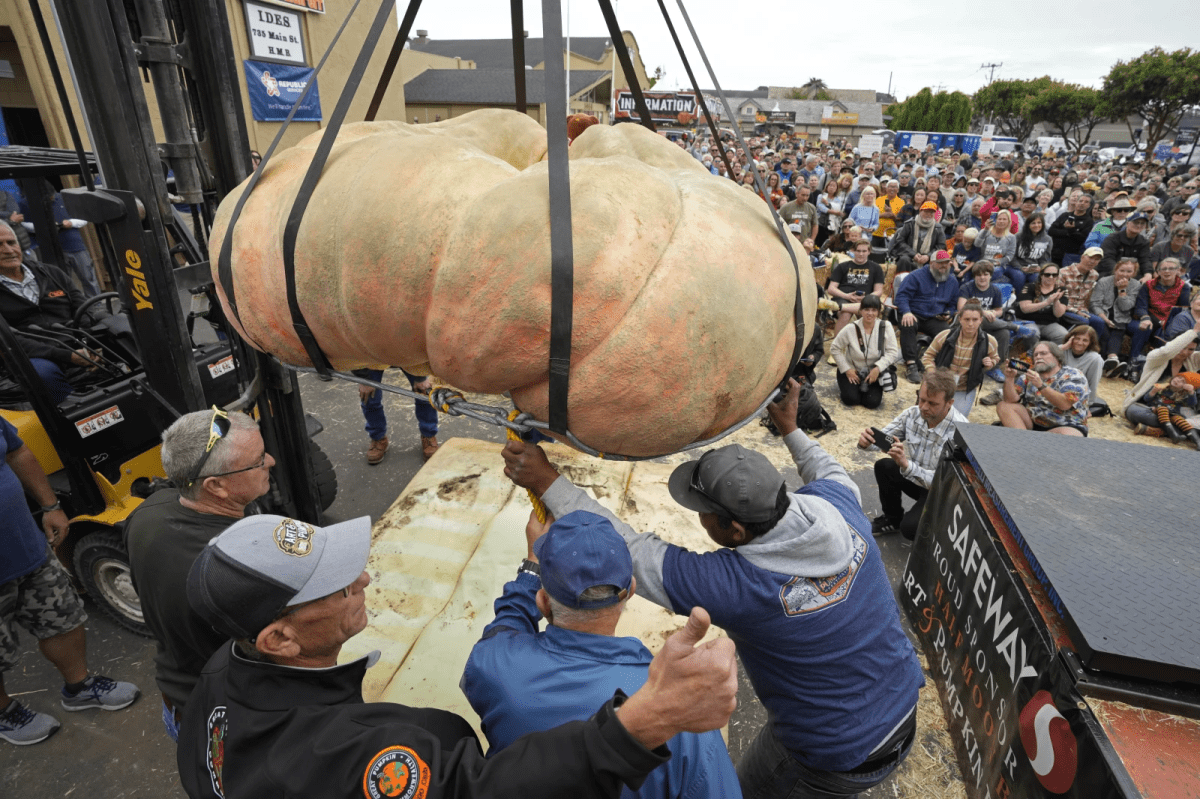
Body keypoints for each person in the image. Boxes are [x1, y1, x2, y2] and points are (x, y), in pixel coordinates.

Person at [501, 380, 924, 799]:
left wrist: (547, 481)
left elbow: (631, 551)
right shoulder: (839, 504)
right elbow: (826, 468)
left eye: (704, 512)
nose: (698, 517)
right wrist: (791, 429)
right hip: (902, 705)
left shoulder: (738, 586)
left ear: (734, 530)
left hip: (832, 754)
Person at [178, 514, 740, 799]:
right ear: (279, 639)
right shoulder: (354, 758)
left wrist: (526, 575)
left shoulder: (217, 682)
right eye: (337, 586)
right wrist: (648, 719)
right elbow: (483, 790)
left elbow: (505, 630)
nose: (364, 578)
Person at [461, 510, 741, 799]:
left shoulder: (492, 664)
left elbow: (506, 625)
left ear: (543, 602)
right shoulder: (677, 709)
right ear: (630, 589)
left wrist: (532, 568)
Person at [124, 408, 275, 740]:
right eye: (259, 459)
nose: (272, 461)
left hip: (180, 701)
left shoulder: (148, 511)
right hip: (235, 725)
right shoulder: (243, 564)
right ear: (217, 486)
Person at [0, 416, 139, 745]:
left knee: (63, 617)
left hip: (26, 549)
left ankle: (79, 687)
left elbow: (17, 452)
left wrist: (50, 505)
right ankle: (4, 714)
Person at [0, 222, 116, 404]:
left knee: (122, 333)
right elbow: (9, 341)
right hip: (36, 355)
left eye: (11, 242)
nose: (8, 250)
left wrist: (89, 344)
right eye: (0, 245)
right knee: (43, 374)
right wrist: (67, 355)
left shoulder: (51, 273)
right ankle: (76, 416)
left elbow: (83, 309)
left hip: (75, 342)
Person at [859, 368, 965, 539]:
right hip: (917, 478)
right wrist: (867, 442)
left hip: (940, 491)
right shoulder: (912, 414)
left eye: (932, 403)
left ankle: (937, 532)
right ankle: (892, 519)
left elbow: (943, 483)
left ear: (949, 403)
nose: (923, 407)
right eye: (921, 399)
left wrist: (906, 465)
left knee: (910, 529)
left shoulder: (960, 433)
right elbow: (884, 438)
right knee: (884, 466)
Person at [920, 300, 999, 415]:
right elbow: (927, 356)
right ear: (960, 319)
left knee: (957, 421)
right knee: (928, 414)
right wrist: (933, 374)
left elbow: (995, 358)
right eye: (967, 319)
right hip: (939, 383)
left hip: (965, 387)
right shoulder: (945, 335)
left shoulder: (989, 341)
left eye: (975, 319)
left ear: (981, 320)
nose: (971, 324)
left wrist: (990, 363)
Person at [996, 340, 1090, 436]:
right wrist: (1009, 378)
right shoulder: (1027, 376)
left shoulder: (1074, 375)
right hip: (1033, 422)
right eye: (1035, 355)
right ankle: (1023, 441)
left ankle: (1032, 442)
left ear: (1057, 357)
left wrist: (1041, 386)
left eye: (1043, 353)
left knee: (1069, 435)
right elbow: (1010, 400)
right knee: (1004, 406)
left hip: (1065, 425)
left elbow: (1065, 404)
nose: (1038, 357)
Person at [894, 250, 960, 384]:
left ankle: (937, 366)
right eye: (940, 264)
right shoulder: (915, 276)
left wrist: (949, 313)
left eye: (947, 264)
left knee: (948, 334)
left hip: (935, 317)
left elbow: (953, 304)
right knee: (908, 324)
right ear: (931, 263)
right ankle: (911, 364)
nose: (944, 267)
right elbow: (901, 296)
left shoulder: (952, 281)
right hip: (914, 313)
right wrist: (906, 311)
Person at [352, 368, 440, 464]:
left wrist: (420, 377)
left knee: (423, 392)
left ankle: (428, 435)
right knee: (369, 398)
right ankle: (378, 438)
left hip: (407, 356)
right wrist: (364, 379)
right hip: (370, 359)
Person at [829, 294, 898, 409]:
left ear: (878, 312)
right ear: (860, 311)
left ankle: (863, 387)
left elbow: (892, 352)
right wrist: (847, 369)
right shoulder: (850, 328)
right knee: (851, 400)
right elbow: (834, 348)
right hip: (852, 370)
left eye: (874, 310)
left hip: (873, 372)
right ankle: (848, 385)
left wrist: (878, 368)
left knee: (872, 403)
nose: (870, 313)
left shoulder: (886, 326)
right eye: (866, 309)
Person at [1128, 257, 1192, 377]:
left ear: (1178, 271)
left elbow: (1182, 309)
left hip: (1168, 321)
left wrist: (1169, 322)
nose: (1167, 271)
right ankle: (1133, 361)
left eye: (1171, 268)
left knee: (1165, 336)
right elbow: (1141, 306)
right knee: (1145, 327)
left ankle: (1154, 371)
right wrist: (1146, 317)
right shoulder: (1149, 284)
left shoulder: (1184, 287)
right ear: (1158, 271)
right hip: (1149, 317)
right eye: (1163, 268)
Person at [1090, 258, 1142, 377]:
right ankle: (1112, 359)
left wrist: (1122, 290)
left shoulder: (1135, 284)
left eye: (1129, 271)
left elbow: (1125, 307)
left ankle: (1111, 361)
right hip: (1102, 314)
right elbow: (1094, 303)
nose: (1124, 274)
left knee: (1118, 330)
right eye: (1122, 270)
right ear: (1116, 269)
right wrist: (1104, 318)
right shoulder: (1104, 281)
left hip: (1121, 317)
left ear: (1134, 273)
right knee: (1105, 330)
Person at [958, 260, 1012, 367]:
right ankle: (1014, 326)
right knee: (980, 319)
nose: (982, 278)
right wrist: (983, 312)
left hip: (989, 324)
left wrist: (993, 313)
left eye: (985, 274)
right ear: (974, 277)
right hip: (970, 323)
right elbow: (961, 308)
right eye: (978, 275)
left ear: (990, 276)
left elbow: (999, 310)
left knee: (1004, 333)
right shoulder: (966, 288)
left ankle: (994, 366)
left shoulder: (995, 290)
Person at [825, 240, 884, 337]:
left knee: (866, 313)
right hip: (843, 298)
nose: (861, 254)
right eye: (858, 251)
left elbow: (879, 291)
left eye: (864, 251)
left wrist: (867, 298)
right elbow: (831, 289)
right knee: (846, 314)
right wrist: (847, 296)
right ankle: (837, 347)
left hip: (865, 301)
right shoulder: (842, 266)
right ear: (853, 251)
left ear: (869, 252)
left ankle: (866, 344)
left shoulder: (876, 268)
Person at [1136, 373, 1200, 447]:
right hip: (1157, 408)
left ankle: (1197, 441)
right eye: (1178, 377)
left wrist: (1191, 392)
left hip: (1172, 413)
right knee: (1163, 408)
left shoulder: (1182, 395)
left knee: (1180, 420)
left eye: (1183, 381)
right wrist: (1153, 391)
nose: (1178, 380)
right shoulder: (1161, 387)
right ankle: (1173, 434)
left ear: (1184, 387)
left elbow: (1192, 404)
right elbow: (1146, 399)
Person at [1016, 265, 1070, 344]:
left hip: (1049, 323)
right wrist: (1047, 302)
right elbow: (1025, 308)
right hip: (1028, 321)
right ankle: (1030, 354)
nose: (1051, 277)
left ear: (1058, 276)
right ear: (1041, 275)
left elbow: (1059, 314)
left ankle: (1053, 355)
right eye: (1047, 274)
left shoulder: (1061, 290)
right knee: (1032, 333)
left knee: (1064, 335)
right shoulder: (1030, 287)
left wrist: (1056, 300)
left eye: (1054, 275)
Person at [888, 201, 946, 274]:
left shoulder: (938, 228)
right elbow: (900, 241)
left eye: (931, 212)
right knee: (904, 260)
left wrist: (928, 256)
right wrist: (913, 254)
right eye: (926, 212)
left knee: (935, 263)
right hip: (909, 256)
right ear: (920, 211)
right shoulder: (909, 224)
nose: (928, 214)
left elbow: (941, 245)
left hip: (928, 259)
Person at [1099, 210, 1151, 278]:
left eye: (1142, 223)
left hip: (1132, 275)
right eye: (1136, 222)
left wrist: (1148, 273)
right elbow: (1107, 259)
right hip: (1110, 273)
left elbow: (1145, 260)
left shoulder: (1144, 242)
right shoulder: (1112, 238)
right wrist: (1121, 273)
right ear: (1127, 223)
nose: (1139, 225)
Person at [1007, 213, 1052, 291]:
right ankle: (1017, 300)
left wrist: (1040, 268)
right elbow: (1012, 256)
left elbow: (1045, 259)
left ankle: (1031, 299)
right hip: (1016, 267)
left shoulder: (1047, 239)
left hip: (1033, 268)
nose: (1036, 225)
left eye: (1039, 223)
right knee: (1019, 276)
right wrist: (1020, 268)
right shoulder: (1018, 237)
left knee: (1037, 277)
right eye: (1033, 223)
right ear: (1028, 225)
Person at [1062, 325, 1104, 403]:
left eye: (1085, 340)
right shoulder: (1062, 349)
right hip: (1057, 391)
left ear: (1090, 343)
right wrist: (1063, 347)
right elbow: (1045, 358)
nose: (1080, 343)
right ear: (1071, 338)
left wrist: (1088, 404)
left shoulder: (1095, 359)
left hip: (1077, 396)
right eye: (1077, 339)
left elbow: (1093, 384)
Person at [780, 185, 818, 249]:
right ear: (797, 194)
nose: (805, 198)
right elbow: (779, 225)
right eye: (803, 195)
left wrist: (811, 240)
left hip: (805, 244)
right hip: (789, 243)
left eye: (807, 195)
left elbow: (815, 225)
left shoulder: (812, 208)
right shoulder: (785, 207)